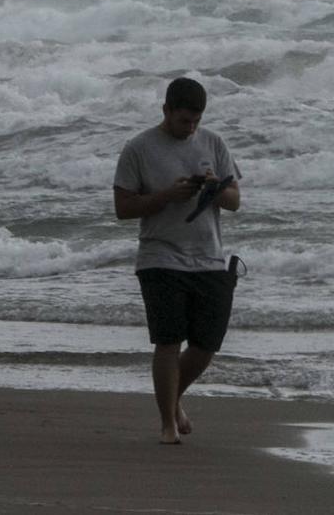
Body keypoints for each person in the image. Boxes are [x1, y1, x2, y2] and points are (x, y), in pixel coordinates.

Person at [113, 77, 242, 445]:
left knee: (206, 346)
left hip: (209, 258)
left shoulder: (213, 142)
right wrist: (169, 195)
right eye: (184, 120)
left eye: (197, 121)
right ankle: (167, 424)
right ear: (166, 111)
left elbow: (235, 200)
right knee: (168, 342)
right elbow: (123, 208)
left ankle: (174, 399)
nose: (191, 128)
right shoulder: (139, 148)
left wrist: (217, 190)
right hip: (159, 256)